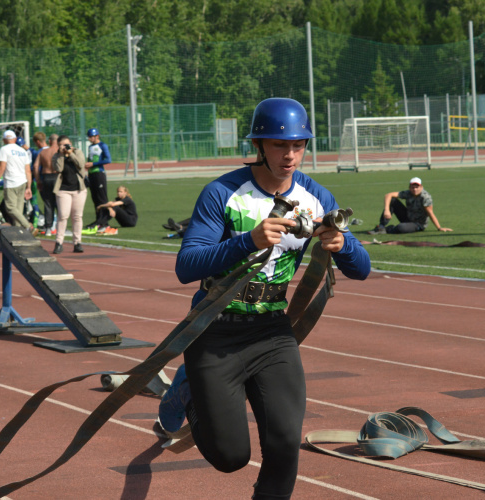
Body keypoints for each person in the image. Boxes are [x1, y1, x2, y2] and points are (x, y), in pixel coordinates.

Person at [158, 98, 371, 500]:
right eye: (278, 145)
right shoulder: (222, 191)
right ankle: (188, 391)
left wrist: (342, 244)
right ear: (259, 143)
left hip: (272, 331)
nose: (289, 155)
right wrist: (248, 241)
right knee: (230, 456)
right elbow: (186, 266)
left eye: (298, 145)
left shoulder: (315, 194)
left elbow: (361, 268)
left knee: (285, 442)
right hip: (214, 330)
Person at [0, 129, 37, 236]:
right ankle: (19, 235)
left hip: (11, 183)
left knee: (10, 208)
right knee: (17, 212)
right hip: (23, 182)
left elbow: (2, 167)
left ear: (4, 140)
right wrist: (28, 187)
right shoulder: (23, 151)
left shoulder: (4, 149)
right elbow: (28, 171)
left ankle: (28, 226)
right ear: (15, 139)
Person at [366, 177, 452, 234]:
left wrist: (439, 227)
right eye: (412, 187)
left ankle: (388, 230)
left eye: (416, 187)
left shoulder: (425, 197)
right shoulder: (408, 193)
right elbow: (388, 195)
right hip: (408, 217)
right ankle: (381, 226)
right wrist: (387, 210)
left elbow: (430, 213)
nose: (414, 189)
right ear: (409, 187)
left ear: (421, 187)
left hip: (418, 224)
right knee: (392, 200)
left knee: (401, 228)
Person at [51, 135, 88, 254]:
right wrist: (62, 155)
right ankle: (59, 243)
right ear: (58, 145)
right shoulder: (56, 156)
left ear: (71, 143)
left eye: (67, 144)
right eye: (62, 144)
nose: (65, 146)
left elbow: (81, 164)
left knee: (77, 216)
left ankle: (77, 243)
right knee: (63, 215)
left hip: (79, 189)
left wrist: (71, 153)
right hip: (63, 189)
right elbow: (59, 168)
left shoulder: (78, 152)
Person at [83, 128, 112, 232]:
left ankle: (104, 222)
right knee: (95, 199)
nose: (90, 139)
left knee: (102, 198)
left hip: (99, 174)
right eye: (89, 137)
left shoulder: (102, 145)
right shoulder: (90, 147)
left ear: (97, 136)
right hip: (91, 174)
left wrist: (93, 164)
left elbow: (108, 159)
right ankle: (98, 220)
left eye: (91, 137)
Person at [36, 134, 59, 236]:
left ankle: (48, 228)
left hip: (46, 178)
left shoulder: (43, 152)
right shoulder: (59, 151)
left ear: (49, 141)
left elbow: (36, 166)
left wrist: (38, 180)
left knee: (48, 204)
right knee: (60, 203)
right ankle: (60, 227)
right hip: (57, 177)